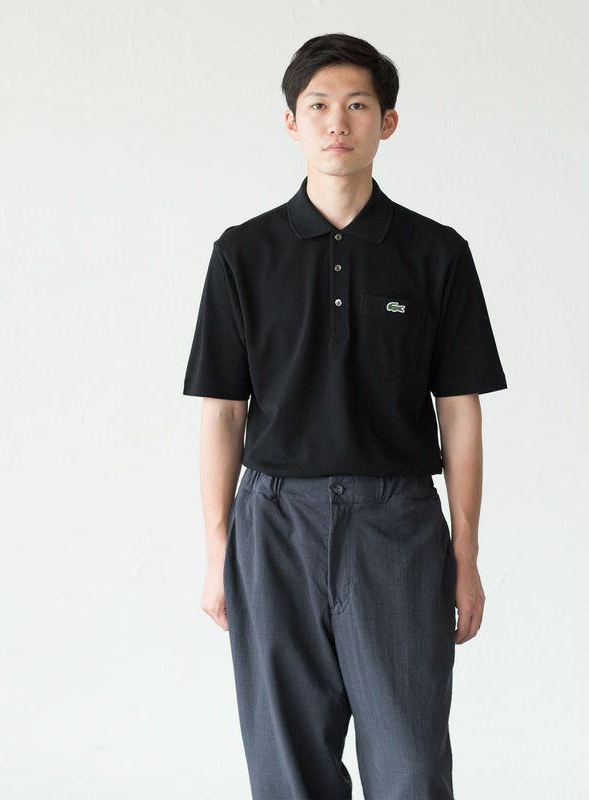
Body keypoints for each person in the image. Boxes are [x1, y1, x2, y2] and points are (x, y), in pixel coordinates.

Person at [183, 31, 507, 800]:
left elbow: (459, 412)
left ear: (387, 122)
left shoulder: (435, 254)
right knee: (287, 766)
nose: (338, 121)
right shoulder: (243, 254)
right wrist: (218, 548)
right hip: (275, 525)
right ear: (290, 122)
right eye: (319, 105)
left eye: (358, 105)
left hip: (396, 523)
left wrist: (465, 554)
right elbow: (223, 412)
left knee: (411, 765)